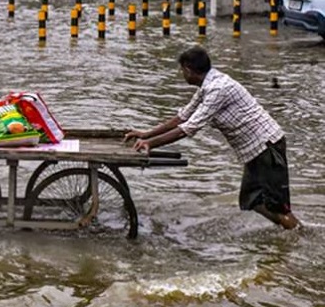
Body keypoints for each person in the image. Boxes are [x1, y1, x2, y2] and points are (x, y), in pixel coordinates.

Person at [124, 46, 299, 230]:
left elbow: (188, 128)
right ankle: (287, 236)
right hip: (254, 150)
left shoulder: (218, 89)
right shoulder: (207, 85)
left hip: (266, 146)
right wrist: (146, 134)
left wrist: (150, 144)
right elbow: (183, 117)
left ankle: (297, 234)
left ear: (189, 70)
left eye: (182, 70)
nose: (182, 74)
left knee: (277, 206)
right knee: (250, 201)